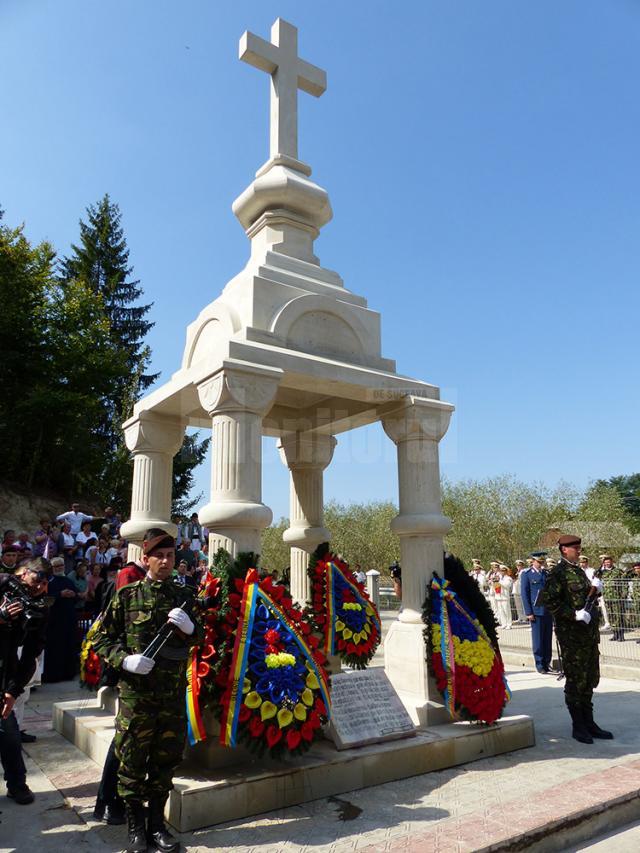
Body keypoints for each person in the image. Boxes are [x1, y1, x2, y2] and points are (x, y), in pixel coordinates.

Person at [93, 528, 203, 853]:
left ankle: (157, 826)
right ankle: (135, 829)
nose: (166, 561)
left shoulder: (184, 597)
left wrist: (191, 628)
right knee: (131, 765)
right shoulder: (126, 597)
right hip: (136, 700)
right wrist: (125, 661)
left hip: (170, 698)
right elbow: (100, 638)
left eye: (171, 556)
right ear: (146, 559)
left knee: (164, 763)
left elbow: (201, 638)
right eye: (160, 556)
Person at [541, 534, 612, 744]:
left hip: (588, 635)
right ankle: (578, 726)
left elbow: (584, 598)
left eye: (579, 548)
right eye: (576, 548)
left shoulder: (578, 571)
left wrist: (596, 591)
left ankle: (590, 723)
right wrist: (574, 615)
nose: (579, 551)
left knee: (589, 678)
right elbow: (550, 601)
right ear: (565, 549)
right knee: (575, 680)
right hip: (572, 637)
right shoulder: (558, 573)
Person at [0, 559, 49, 804]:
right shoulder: (2, 584)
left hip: (5, 674)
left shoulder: (38, 607)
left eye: (45, 582)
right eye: (37, 579)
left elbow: (31, 656)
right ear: (23, 572)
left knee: (9, 734)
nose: (40, 586)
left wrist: (13, 691)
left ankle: (17, 784)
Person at [42, 558, 78, 683]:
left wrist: (73, 594)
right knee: (55, 648)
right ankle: (54, 675)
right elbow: (45, 600)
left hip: (69, 619)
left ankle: (68, 673)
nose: (59, 568)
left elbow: (76, 596)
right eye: (56, 566)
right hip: (54, 621)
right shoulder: (48, 582)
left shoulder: (68, 580)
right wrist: (60, 595)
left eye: (61, 565)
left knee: (68, 646)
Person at [521, 555, 553, 673]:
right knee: (538, 640)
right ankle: (540, 664)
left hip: (547, 611)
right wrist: (529, 612)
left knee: (547, 638)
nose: (540, 563)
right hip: (536, 612)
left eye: (542, 561)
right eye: (538, 561)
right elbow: (525, 594)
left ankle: (547, 662)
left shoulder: (546, 573)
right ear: (533, 561)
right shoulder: (527, 574)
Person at [602, 556, 631, 642]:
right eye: (605, 562)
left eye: (608, 562)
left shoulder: (618, 571)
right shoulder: (602, 572)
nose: (607, 563)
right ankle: (615, 634)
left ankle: (621, 635)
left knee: (619, 616)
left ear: (612, 562)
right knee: (611, 616)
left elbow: (624, 582)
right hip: (607, 597)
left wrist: (624, 594)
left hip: (617, 597)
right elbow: (595, 578)